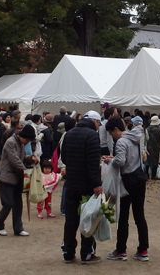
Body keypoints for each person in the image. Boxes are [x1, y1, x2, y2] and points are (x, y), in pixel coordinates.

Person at [104, 117, 149, 262]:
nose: (112, 136)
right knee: (139, 215)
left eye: (111, 133)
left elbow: (121, 161)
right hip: (139, 177)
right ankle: (143, 249)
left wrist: (110, 160)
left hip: (127, 181)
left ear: (116, 129)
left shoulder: (121, 141)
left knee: (123, 216)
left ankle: (121, 249)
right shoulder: (136, 137)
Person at [61, 111, 103, 264]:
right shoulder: (91, 136)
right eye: (98, 123)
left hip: (71, 182)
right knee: (88, 218)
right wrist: (97, 184)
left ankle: (68, 251)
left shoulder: (69, 133)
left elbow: (64, 157)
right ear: (94, 121)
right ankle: (87, 253)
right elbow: (92, 163)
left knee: (71, 220)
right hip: (86, 185)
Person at [0, 124, 37, 236]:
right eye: (27, 139)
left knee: (18, 203)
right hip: (7, 176)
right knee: (8, 203)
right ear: (22, 136)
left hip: (18, 177)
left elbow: (21, 158)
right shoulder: (11, 142)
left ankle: (18, 228)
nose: (27, 142)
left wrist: (30, 158)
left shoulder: (20, 143)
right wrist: (26, 171)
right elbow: (15, 160)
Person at [146, 115, 160, 180]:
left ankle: (147, 174)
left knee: (147, 161)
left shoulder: (147, 129)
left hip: (148, 146)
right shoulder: (159, 130)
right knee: (155, 161)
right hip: (157, 146)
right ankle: (154, 175)